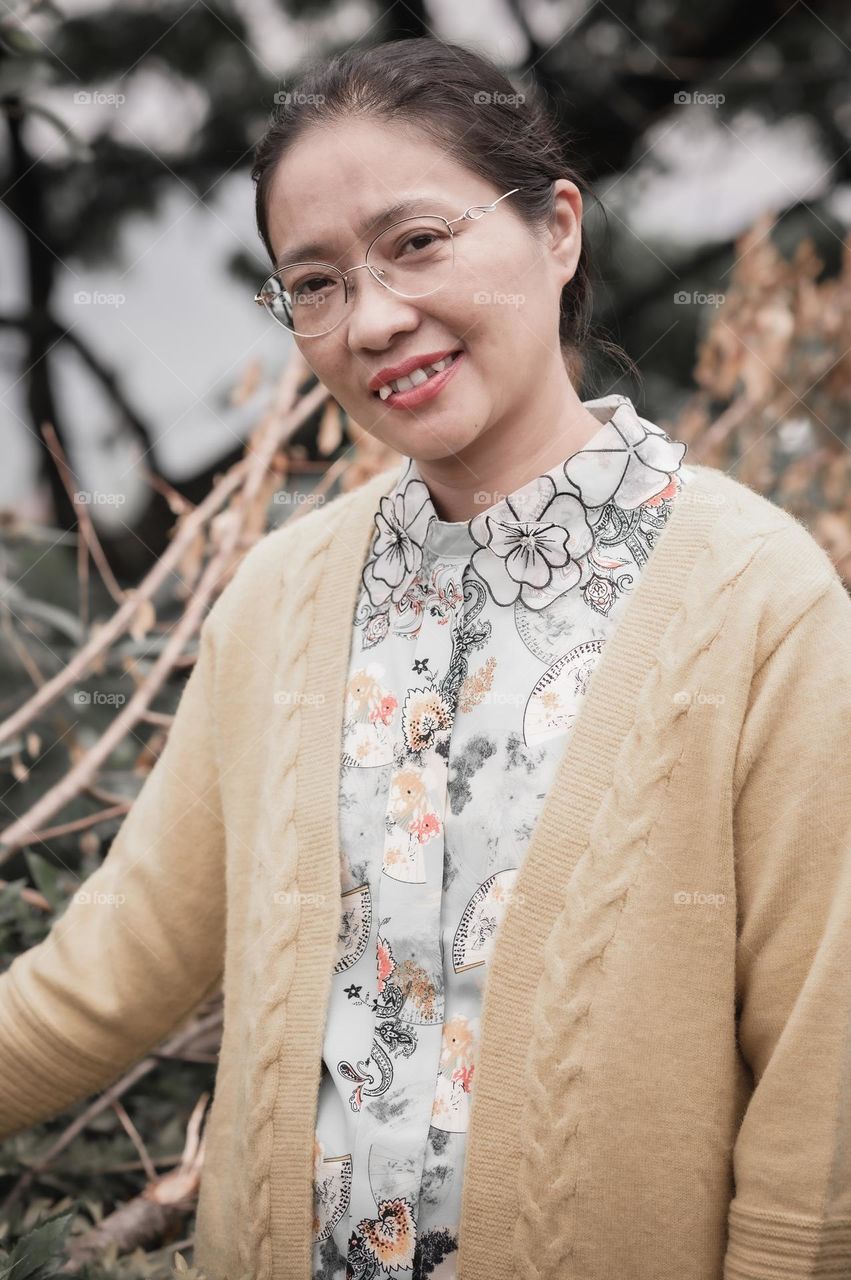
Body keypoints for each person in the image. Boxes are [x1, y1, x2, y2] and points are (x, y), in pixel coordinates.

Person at [1, 34, 850, 1280]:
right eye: (315, 283)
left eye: (416, 243)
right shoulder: (278, 603)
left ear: (556, 229)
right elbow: (102, 983)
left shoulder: (755, 597)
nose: (375, 318)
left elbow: (818, 1083)